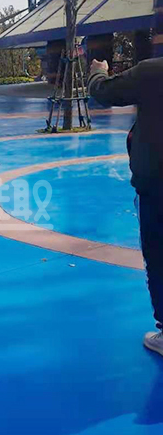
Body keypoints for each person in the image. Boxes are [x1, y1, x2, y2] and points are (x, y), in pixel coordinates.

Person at [88, 57, 163, 355]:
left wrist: (97, 72)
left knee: (158, 256)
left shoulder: (153, 72)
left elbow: (105, 92)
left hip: (156, 186)